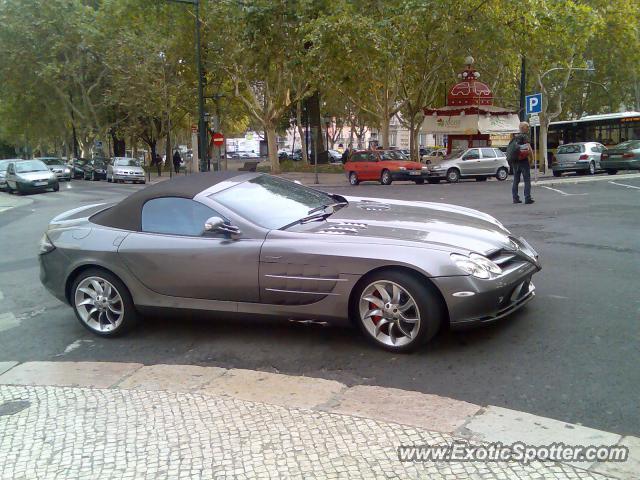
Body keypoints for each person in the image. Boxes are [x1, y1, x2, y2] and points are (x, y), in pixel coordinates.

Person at [508, 121, 534, 204]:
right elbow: (529, 149)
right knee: (527, 180)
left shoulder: (515, 137)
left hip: (515, 161)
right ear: (524, 128)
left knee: (516, 180)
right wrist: (532, 159)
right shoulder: (525, 136)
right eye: (528, 127)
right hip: (523, 161)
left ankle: (515, 198)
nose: (528, 128)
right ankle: (527, 198)